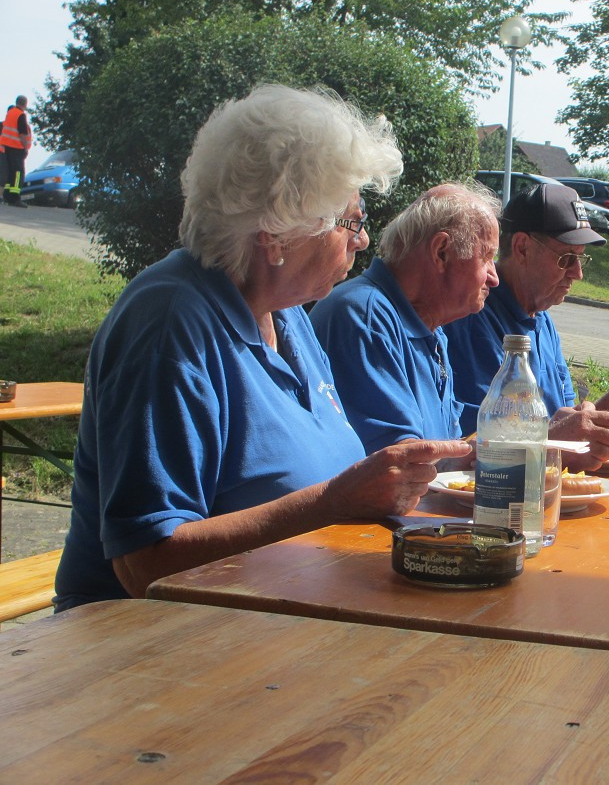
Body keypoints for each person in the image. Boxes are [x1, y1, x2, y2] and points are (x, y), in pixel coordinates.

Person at [53, 85, 470, 612]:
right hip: (150, 657)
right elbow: (145, 564)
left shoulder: (287, 312)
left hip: (277, 625)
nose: (363, 241)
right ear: (277, 233)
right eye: (352, 222)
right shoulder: (168, 325)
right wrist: (332, 504)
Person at [443, 182, 609, 473]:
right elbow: (490, 446)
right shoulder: (473, 317)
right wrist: (607, 411)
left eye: (581, 259)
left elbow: (565, 424)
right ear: (522, 247)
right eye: (566, 259)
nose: (577, 274)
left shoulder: (542, 318)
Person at [309, 183, 500, 453]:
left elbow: (446, 448)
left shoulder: (430, 328)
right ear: (441, 252)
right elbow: (403, 467)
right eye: (487, 257)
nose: (494, 278)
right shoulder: (366, 317)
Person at [1, 96, 32, 207]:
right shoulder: (20, 115)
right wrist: (25, 147)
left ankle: (7, 195)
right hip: (17, 147)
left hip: (7, 147)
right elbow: (22, 134)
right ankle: (15, 197)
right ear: (25, 104)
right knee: (18, 173)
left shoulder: (10, 113)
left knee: (11, 173)